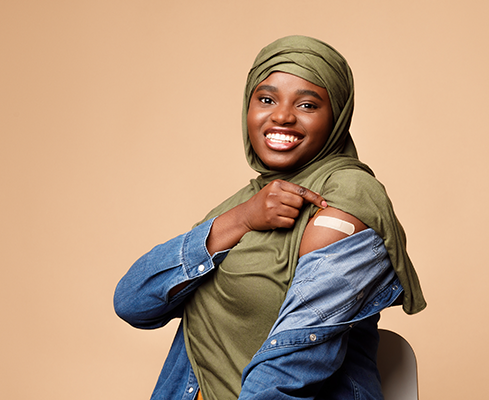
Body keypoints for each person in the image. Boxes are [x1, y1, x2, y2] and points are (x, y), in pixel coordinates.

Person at [114, 35, 426, 400]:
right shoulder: (249, 200)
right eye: (266, 99)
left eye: (307, 104)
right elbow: (133, 303)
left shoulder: (349, 196)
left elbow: (290, 366)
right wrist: (242, 219)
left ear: (337, 116)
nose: (281, 116)